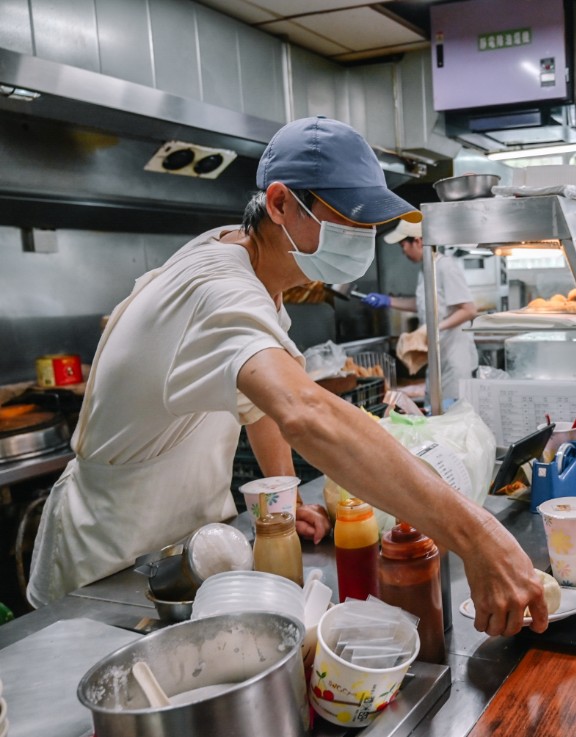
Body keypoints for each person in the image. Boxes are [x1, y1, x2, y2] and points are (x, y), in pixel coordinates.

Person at [28, 116, 549, 636]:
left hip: (189, 555)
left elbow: (261, 406)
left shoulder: (256, 275)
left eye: (371, 223)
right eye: (349, 218)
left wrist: (285, 499)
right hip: (111, 571)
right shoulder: (218, 286)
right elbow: (305, 413)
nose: (364, 236)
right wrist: (475, 534)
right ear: (279, 204)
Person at [360, 220, 478, 401]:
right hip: (437, 356)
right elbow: (425, 305)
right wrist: (388, 301)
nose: (403, 251)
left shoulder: (446, 267)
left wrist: (433, 328)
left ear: (418, 241)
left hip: (455, 358)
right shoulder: (426, 269)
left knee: (453, 413)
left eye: (403, 246)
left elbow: (469, 310)